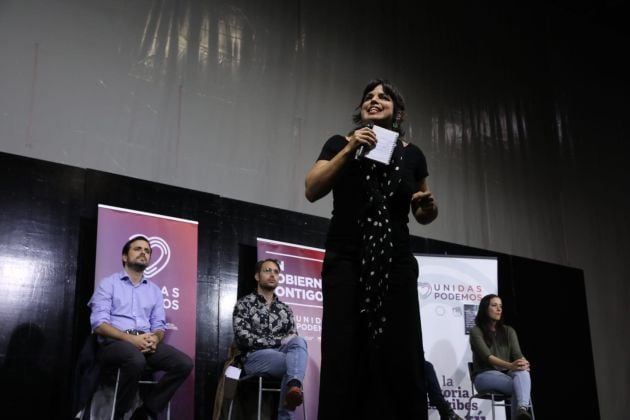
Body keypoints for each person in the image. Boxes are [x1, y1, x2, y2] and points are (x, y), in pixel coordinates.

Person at [305, 78, 438, 420]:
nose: (374, 100)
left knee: (400, 353)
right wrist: (350, 150)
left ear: (397, 112)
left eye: (384, 97)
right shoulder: (340, 142)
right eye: (369, 96)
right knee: (345, 351)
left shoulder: (413, 155)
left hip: (395, 263)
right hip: (347, 259)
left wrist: (426, 209)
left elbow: (423, 211)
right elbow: (312, 188)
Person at [88, 236, 193, 420]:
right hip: (114, 344)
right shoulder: (109, 284)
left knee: (184, 363)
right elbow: (99, 325)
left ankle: (146, 412)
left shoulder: (154, 290)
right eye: (137, 249)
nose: (143, 252)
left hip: (144, 341)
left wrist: (155, 339)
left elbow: (159, 326)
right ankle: (120, 414)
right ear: (124, 256)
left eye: (147, 250)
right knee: (135, 358)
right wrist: (131, 339)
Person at [232, 259, 308, 420]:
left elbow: (292, 338)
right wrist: (278, 341)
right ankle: (286, 413)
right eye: (267, 270)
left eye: (276, 272)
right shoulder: (244, 304)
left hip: (280, 357)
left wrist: (285, 341)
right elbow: (243, 339)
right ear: (257, 276)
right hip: (254, 358)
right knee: (293, 362)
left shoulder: (285, 309)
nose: (272, 274)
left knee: (300, 343)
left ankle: (294, 387)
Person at [469, 294, 533, 420]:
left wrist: (524, 363)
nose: (499, 309)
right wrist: (510, 365)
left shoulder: (509, 331)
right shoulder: (476, 331)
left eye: (500, 306)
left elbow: (517, 354)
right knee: (520, 387)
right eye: (494, 305)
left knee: (523, 374)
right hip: (484, 376)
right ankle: (521, 412)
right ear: (485, 309)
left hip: (506, 375)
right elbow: (488, 357)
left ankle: (522, 410)